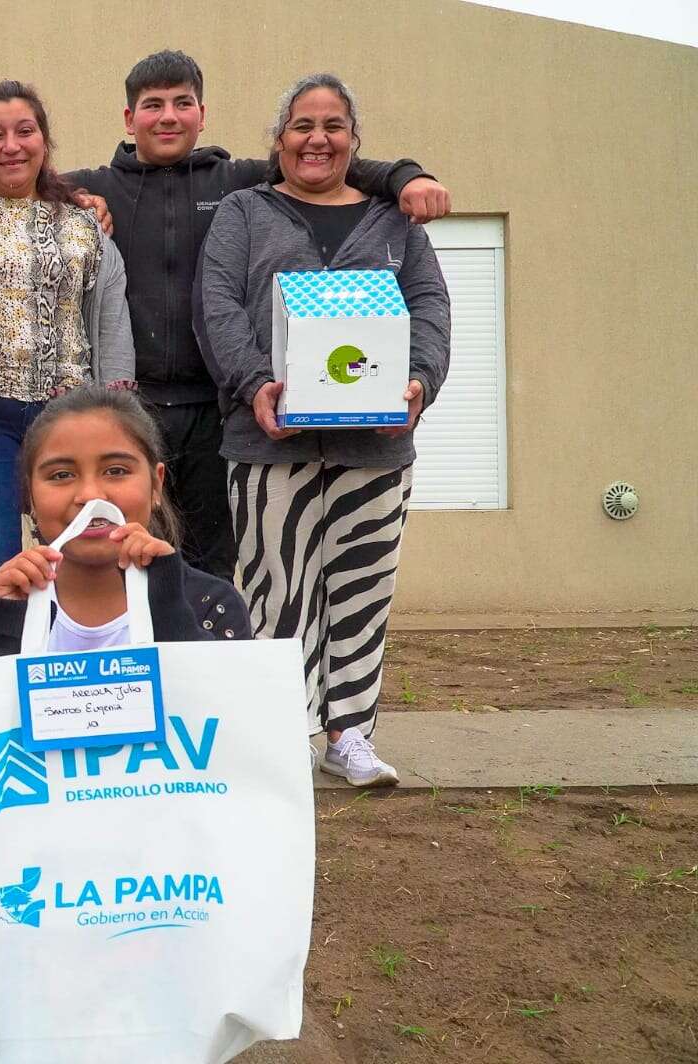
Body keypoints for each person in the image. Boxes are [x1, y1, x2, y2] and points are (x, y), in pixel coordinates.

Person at [62, 49, 451, 583]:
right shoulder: (97, 186)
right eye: (153, 105)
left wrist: (406, 176)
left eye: (183, 102)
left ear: (203, 114)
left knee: (210, 570)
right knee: (120, 560)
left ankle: (205, 665)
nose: (169, 116)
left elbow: (324, 159)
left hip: (216, 413)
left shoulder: (238, 182)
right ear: (130, 119)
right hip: (131, 406)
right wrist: (70, 199)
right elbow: (12, 177)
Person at [194, 73, 452, 788]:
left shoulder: (393, 218)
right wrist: (254, 385)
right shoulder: (245, 212)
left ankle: (351, 737)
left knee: (362, 589)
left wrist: (421, 381)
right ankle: (289, 733)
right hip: (268, 441)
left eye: (333, 125)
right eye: (302, 125)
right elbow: (216, 305)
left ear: (354, 141)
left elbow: (430, 307)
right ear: (279, 142)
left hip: (375, 449)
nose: (318, 138)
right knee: (278, 591)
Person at [0, 384, 250, 898]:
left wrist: (166, 606)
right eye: (61, 475)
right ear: (29, 497)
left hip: (168, 859)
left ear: (156, 485)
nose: (90, 495)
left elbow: (232, 756)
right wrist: (5, 623)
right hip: (36, 862)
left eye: (116, 470)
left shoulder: (209, 605)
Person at [0, 81, 135, 595]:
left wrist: (116, 419)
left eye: (25, 131)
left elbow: (110, 322)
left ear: (44, 141)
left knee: (81, 558)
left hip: (69, 416)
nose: (11, 145)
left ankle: (66, 670)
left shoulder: (85, 224)